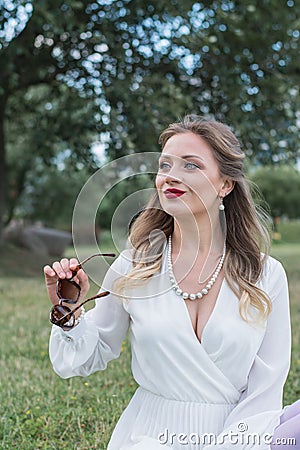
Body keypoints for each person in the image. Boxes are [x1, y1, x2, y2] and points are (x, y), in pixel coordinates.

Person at [44, 115, 299, 450]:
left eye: (191, 166)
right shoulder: (134, 265)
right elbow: (84, 358)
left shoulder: (266, 274)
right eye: (165, 165)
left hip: (242, 434)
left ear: (225, 184)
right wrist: (68, 311)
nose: (171, 177)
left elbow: (266, 387)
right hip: (152, 437)